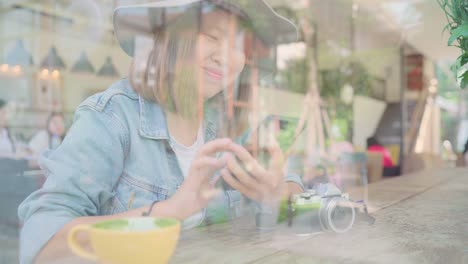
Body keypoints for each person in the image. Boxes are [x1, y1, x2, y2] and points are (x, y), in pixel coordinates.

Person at [18, 1, 304, 263]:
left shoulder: (229, 127)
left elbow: (299, 189)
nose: (226, 57)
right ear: (169, 37)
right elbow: (42, 243)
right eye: (212, 36)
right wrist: (170, 210)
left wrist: (276, 194)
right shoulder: (112, 118)